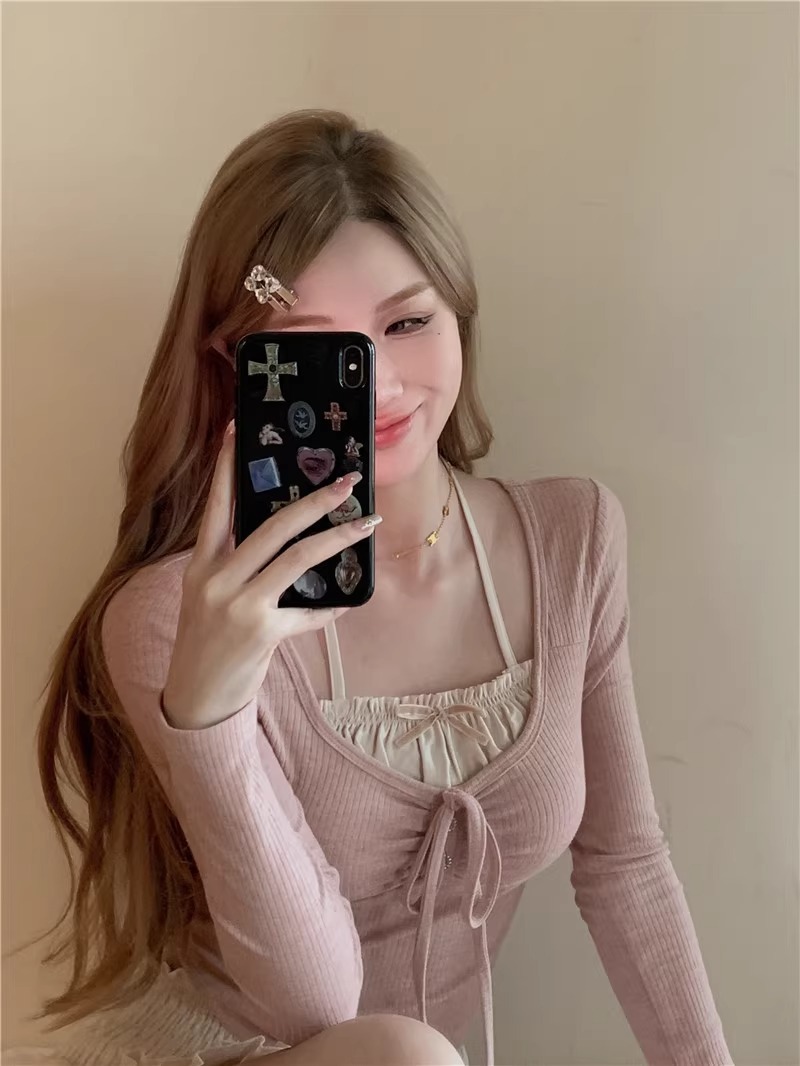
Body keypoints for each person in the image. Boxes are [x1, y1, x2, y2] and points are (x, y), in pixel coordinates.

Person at [5, 109, 732, 1066]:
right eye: (319, 350)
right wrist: (212, 715)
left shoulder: (574, 537)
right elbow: (315, 1004)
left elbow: (624, 863)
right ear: (241, 368)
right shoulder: (170, 618)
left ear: (460, 311)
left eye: (408, 322)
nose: (377, 386)